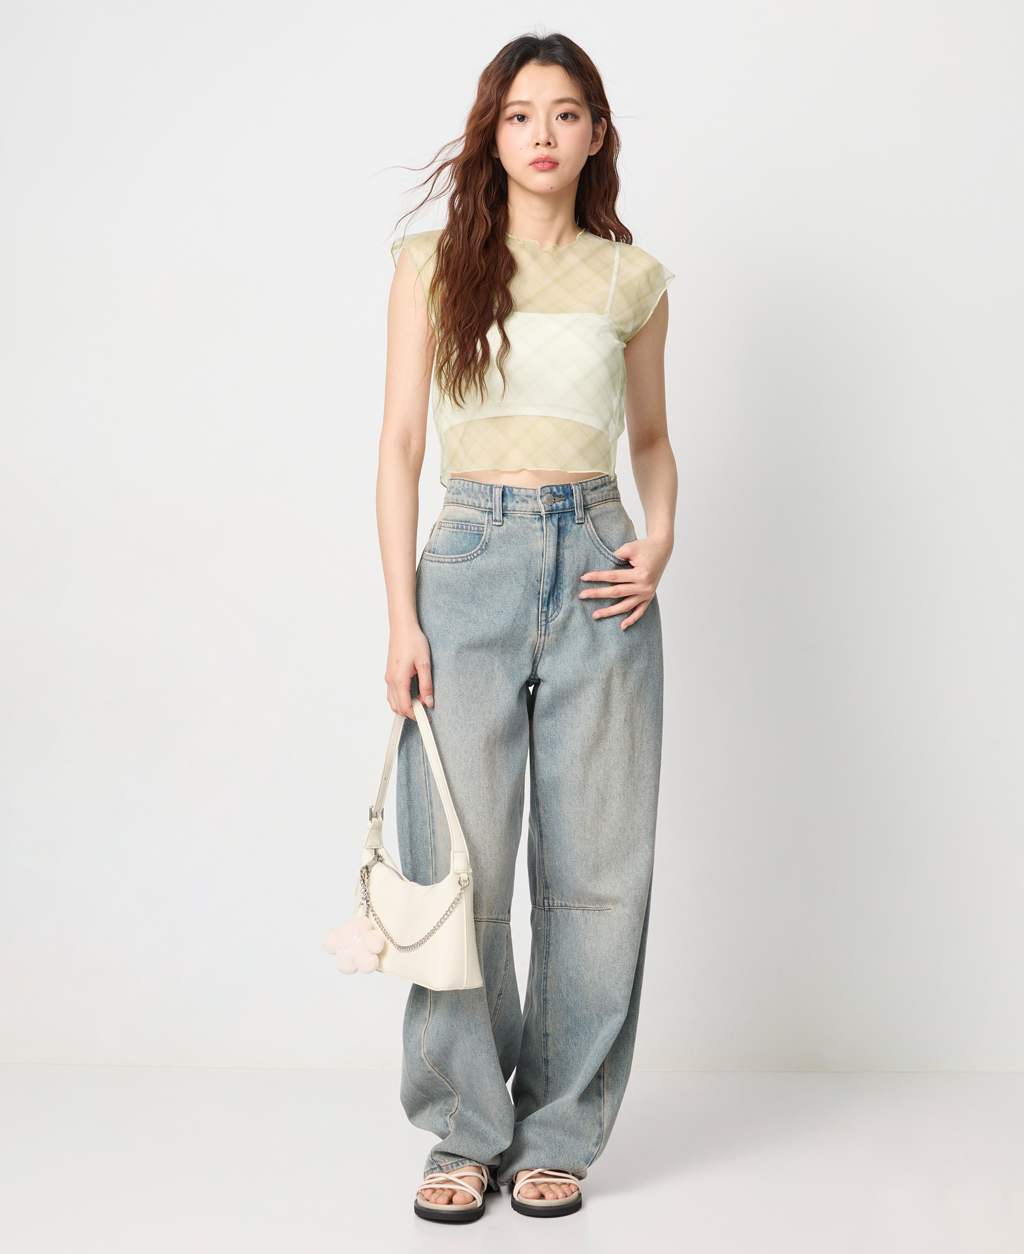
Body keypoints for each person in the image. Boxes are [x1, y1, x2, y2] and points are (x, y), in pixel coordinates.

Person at [377, 32, 676, 1222]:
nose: (540, 134)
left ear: (596, 133)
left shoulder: (631, 280)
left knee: (597, 874)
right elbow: (401, 447)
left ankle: (559, 1133)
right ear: (490, 134)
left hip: (600, 568)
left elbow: (649, 441)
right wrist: (399, 616)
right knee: (457, 866)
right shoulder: (430, 265)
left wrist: (660, 538)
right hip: (465, 568)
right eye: (517, 114)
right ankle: (464, 1133)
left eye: (562, 113)